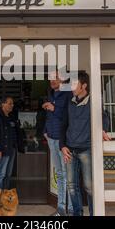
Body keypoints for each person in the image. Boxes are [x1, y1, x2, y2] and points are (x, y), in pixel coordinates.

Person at [60, 71, 111, 216]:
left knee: (89, 187)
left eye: (75, 84)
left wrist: (102, 130)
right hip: (69, 150)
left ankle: (94, 213)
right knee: (71, 187)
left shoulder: (93, 101)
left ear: (84, 86)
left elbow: (104, 118)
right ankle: (77, 213)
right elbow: (63, 125)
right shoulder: (69, 102)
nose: (72, 87)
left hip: (86, 150)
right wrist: (62, 146)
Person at [43, 71, 73, 216]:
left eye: (55, 78)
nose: (52, 81)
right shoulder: (51, 94)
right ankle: (61, 209)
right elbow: (48, 116)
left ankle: (72, 209)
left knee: (69, 175)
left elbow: (69, 116)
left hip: (64, 140)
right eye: (51, 79)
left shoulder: (68, 94)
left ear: (63, 79)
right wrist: (45, 131)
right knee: (60, 174)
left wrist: (54, 108)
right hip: (51, 138)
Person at [0, 97, 25, 189]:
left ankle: (5, 196)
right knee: (1, 174)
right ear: (3, 104)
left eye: (12, 103)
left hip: (12, 149)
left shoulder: (12, 117)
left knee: (8, 174)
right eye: (10, 103)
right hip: (2, 150)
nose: (12, 105)